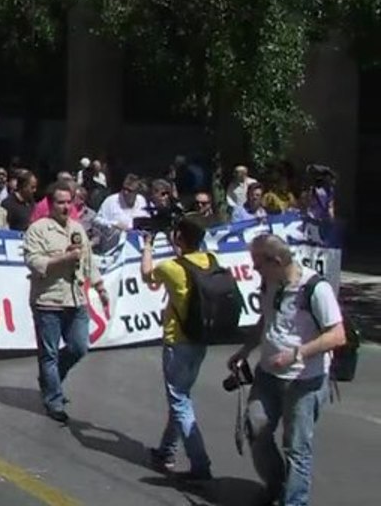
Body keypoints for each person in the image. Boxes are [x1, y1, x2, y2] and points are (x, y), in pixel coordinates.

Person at [229, 234, 346, 506]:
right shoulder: (271, 282)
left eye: (259, 265)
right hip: (268, 375)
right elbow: (266, 319)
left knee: (296, 447)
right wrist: (245, 350)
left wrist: (297, 353)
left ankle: (294, 501)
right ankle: (276, 485)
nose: (255, 270)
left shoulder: (315, 289)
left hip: (304, 381)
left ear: (278, 261)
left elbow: (337, 335)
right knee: (256, 428)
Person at [21, 182, 109, 423]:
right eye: (60, 202)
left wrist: (100, 288)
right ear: (50, 204)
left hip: (75, 298)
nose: (66, 206)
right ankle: (54, 400)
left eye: (69, 202)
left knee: (79, 346)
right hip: (48, 300)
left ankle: (52, 381)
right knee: (48, 354)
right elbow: (35, 262)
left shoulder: (77, 228)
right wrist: (65, 257)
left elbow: (89, 262)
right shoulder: (38, 230)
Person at [140, 215, 214, 480]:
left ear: (178, 238)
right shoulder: (209, 260)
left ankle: (200, 463)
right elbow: (187, 262)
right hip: (201, 339)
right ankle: (166, 449)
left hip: (177, 341)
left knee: (180, 400)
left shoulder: (171, 267)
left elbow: (148, 275)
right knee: (180, 396)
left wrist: (147, 245)